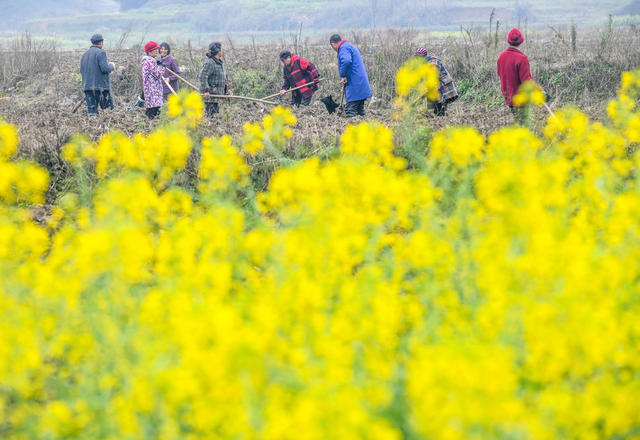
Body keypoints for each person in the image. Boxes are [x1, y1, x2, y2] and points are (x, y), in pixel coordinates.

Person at [497, 28, 536, 122]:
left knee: (518, 121)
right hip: (521, 99)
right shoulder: (522, 59)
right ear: (521, 41)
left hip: (508, 97)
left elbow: (499, 73)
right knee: (524, 124)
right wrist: (540, 92)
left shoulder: (501, 56)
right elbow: (526, 82)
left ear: (508, 40)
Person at [329, 34, 372, 118]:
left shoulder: (343, 48)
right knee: (359, 110)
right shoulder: (349, 46)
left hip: (355, 83)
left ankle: (354, 128)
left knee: (350, 109)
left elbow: (346, 61)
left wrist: (343, 75)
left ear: (333, 44)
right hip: (360, 82)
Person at [414, 48, 458, 116]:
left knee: (438, 110)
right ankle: (440, 119)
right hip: (437, 89)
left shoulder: (433, 63)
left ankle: (441, 119)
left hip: (444, 88)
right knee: (436, 110)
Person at [80, 34, 115, 116]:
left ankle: (93, 128)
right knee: (108, 112)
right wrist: (112, 66)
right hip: (101, 88)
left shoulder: (84, 55)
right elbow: (105, 69)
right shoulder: (101, 52)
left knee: (92, 114)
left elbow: (82, 70)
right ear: (101, 42)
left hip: (87, 88)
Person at [199, 42, 231, 117]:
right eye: (221, 50)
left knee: (218, 119)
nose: (221, 52)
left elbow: (222, 79)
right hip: (211, 98)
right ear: (218, 52)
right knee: (211, 118)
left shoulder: (220, 63)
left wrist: (227, 90)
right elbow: (202, 76)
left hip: (218, 97)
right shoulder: (210, 63)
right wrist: (206, 90)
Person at [141, 41, 166, 119]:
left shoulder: (149, 60)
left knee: (151, 108)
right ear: (149, 51)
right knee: (154, 110)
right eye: (155, 49)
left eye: (156, 49)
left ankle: (150, 124)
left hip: (151, 90)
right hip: (153, 90)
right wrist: (162, 67)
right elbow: (158, 74)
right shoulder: (150, 61)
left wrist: (157, 64)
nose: (156, 51)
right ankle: (151, 126)